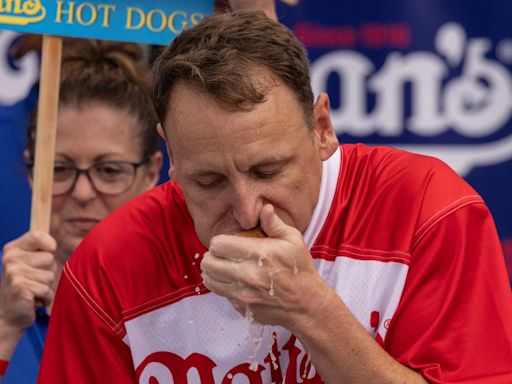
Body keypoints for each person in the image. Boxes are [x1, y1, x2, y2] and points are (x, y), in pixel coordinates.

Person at [39, 10, 512, 384]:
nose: (247, 208)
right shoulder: (109, 266)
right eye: (209, 182)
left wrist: (311, 310)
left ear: (322, 129)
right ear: (171, 156)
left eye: (268, 170)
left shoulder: (426, 211)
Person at [0, 39, 164, 383]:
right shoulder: (7, 304)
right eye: (59, 169)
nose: (83, 193)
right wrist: (4, 328)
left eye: (110, 171)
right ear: (32, 171)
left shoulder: (184, 302)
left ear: (152, 172)